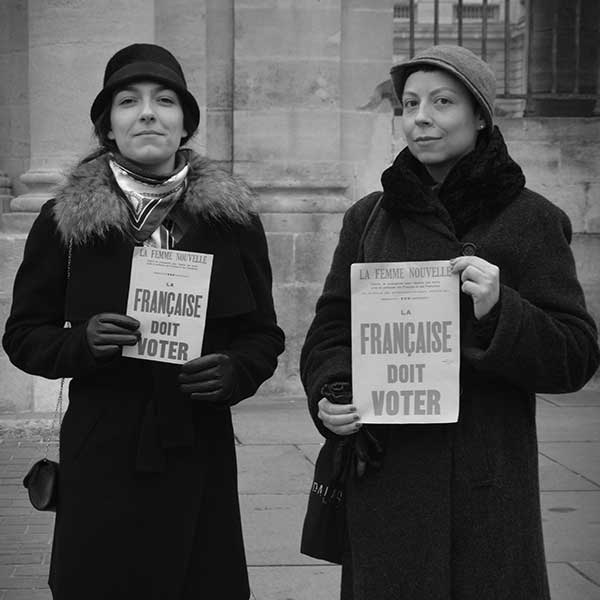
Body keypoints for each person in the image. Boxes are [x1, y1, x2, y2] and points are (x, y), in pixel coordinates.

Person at [300, 45, 599, 600]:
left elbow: (575, 354)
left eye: (442, 102)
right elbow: (331, 329)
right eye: (410, 103)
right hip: (386, 480)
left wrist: (500, 309)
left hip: (486, 489)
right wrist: (332, 390)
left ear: (480, 115)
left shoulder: (532, 219)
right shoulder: (367, 218)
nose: (420, 117)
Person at [3, 43, 284, 600]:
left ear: (185, 125)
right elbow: (22, 337)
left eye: (165, 100)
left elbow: (264, 335)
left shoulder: (232, 221)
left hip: (197, 449)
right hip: (102, 452)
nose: (148, 112)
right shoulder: (63, 222)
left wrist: (234, 371)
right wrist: (80, 343)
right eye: (128, 101)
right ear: (107, 128)